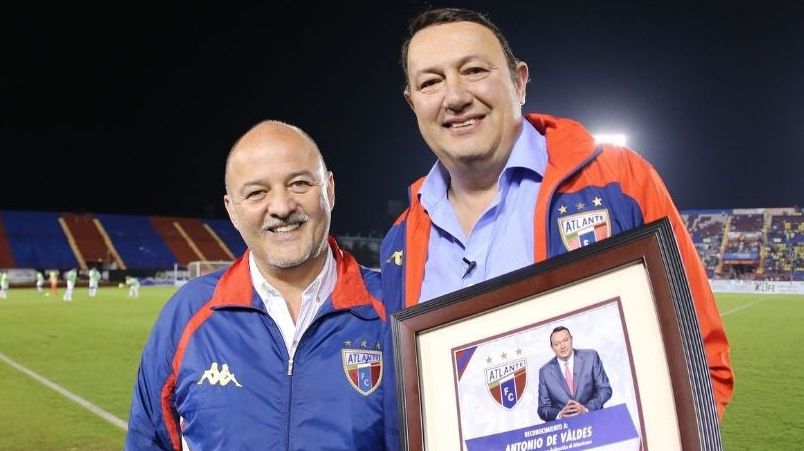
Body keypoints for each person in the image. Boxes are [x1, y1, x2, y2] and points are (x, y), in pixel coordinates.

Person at [380, 7, 734, 418]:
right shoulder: (400, 242)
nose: (455, 97)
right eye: (430, 82)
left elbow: (702, 363)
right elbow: (406, 405)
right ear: (413, 103)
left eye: (474, 70)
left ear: (519, 81)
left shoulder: (619, 180)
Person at [126, 121, 394, 450]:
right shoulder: (186, 315)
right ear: (232, 211)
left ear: (329, 189)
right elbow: (147, 441)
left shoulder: (394, 307)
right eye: (256, 193)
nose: (281, 207)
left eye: (299, 183)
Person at [537, 326, 611, 422]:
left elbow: (605, 389)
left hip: (595, 421)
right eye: (557, 343)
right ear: (552, 347)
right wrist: (560, 415)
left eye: (565, 340)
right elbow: (543, 409)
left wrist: (585, 409)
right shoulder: (545, 372)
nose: (563, 346)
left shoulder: (591, 356)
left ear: (571, 339)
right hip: (567, 427)